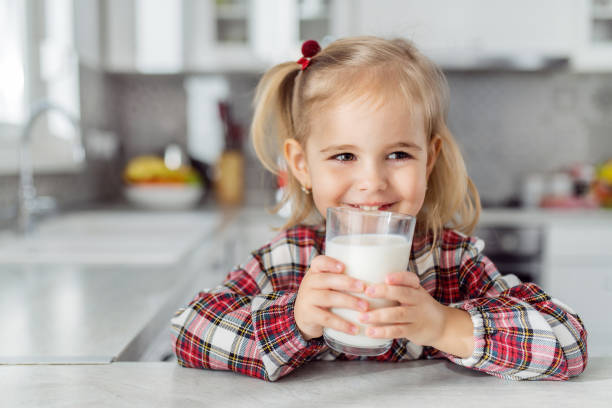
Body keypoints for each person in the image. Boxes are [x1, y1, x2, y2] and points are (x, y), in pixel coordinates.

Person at [171, 37, 587, 382]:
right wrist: (295, 319)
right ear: (302, 166)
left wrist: (444, 325)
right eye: (345, 156)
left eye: (398, 154)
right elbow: (189, 331)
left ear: (429, 159)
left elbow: (569, 342)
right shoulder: (287, 260)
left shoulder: (451, 261)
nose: (372, 182)